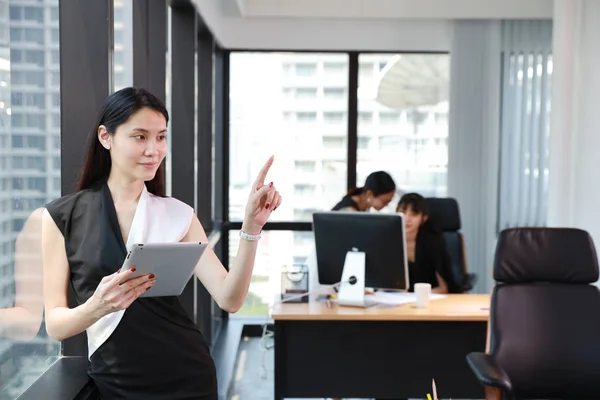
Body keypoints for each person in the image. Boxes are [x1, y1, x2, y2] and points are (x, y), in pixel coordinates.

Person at [41, 87, 282, 400]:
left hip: (187, 375)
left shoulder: (177, 214)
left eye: (161, 137)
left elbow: (229, 299)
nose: (153, 149)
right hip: (116, 383)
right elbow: (56, 326)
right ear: (106, 137)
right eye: (140, 136)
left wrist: (251, 228)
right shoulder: (62, 216)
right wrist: (97, 307)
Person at [396, 193, 454, 294]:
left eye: (414, 214)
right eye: (403, 212)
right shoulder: (390, 241)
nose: (407, 218)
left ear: (424, 218)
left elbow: (444, 288)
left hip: (429, 300)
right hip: (396, 301)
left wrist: (414, 297)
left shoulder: (433, 242)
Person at [331, 171, 396, 212]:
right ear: (369, 194)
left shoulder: (364, 207)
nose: (387, 205)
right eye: (385, 202)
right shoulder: (349, 212)